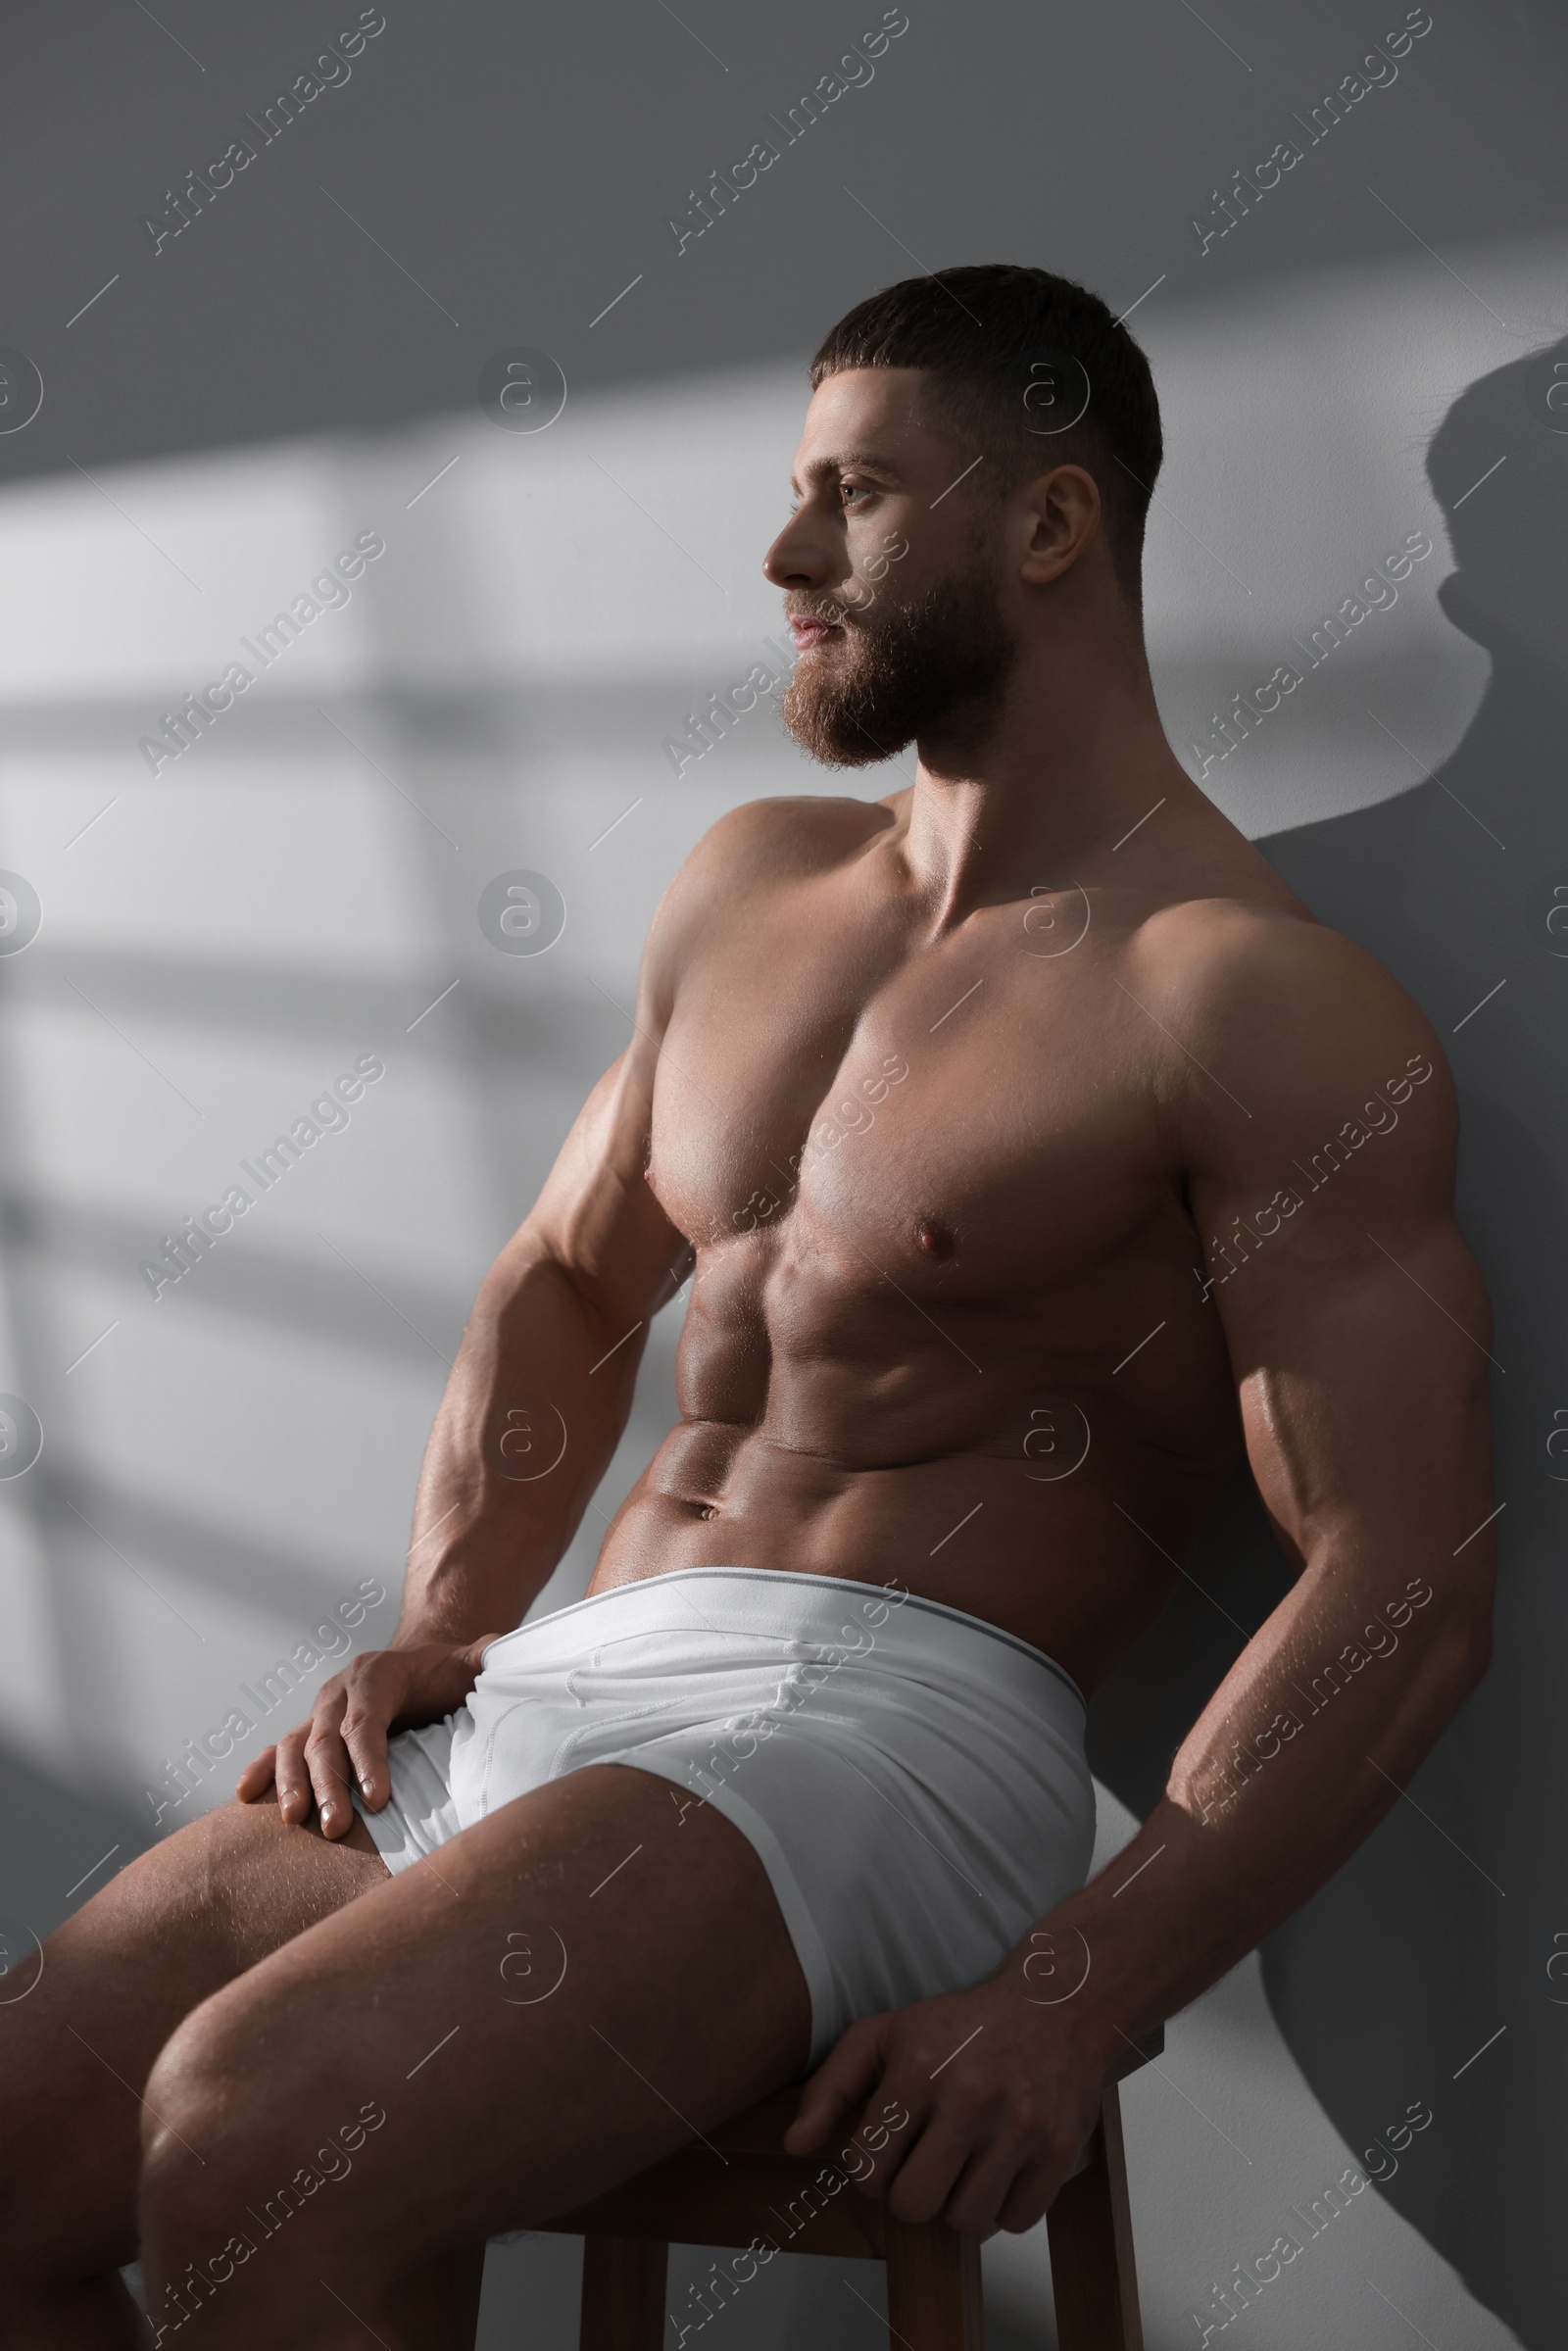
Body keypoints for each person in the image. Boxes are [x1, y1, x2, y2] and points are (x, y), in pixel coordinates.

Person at [0, 264, 1494, 2348]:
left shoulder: (1240, 997)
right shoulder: (751, 887)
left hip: (888, 1733)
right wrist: (454, 1623)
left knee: (252, 2136)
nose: (784, 555)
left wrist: (1082, 1983)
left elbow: (1401, 1574)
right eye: (797, 492)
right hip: (581, 1681)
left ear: (1050, 526)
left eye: (853, 499)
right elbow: (562, 1273)